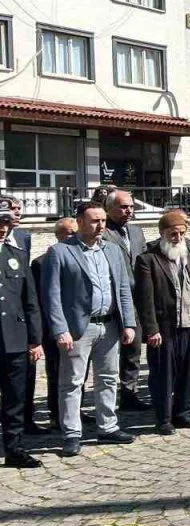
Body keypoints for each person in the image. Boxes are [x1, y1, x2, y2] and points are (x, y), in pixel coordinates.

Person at [43, 202, 138, 457]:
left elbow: (123, 289)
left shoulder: (113, 251)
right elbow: (51, 295)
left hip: (109, 325)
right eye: (95, 221)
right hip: (78, 329)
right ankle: (72, 433)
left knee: (108, 378)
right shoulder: (60, 252)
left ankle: (108, 426)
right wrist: (60, 329)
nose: (100, 226)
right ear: (80, 222)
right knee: (72, 382)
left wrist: (128, 322)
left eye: (103, 221)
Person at [134, 211, 190, 435]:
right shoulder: (148, 259)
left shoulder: (189, 254)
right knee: (163, 374)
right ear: (162, 233)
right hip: (164, 328)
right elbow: (144, 299)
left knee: (188, 371)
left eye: (182, 233)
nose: (178, 238)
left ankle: (183, 412)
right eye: (173, 234)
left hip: (189, 323)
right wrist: (151, 329)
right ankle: (163, 418)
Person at [0, 199, 43, 468]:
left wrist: (35, 340)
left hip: (14, 339)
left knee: (15, 399)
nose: (3, 227)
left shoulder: (16, 255)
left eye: (6, 222)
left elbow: (30, 301)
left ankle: (14, 449)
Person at [24, 218, 74, 436]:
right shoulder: (41, 263)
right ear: (58, 235)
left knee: (76, 373)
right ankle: (56, 414)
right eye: (69, 233)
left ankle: (73, 410)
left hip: (77, 325)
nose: (73, 236)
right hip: (52, 327)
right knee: (56, 372)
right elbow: (39, 299)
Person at [102, 190, 149, 412]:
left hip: (135, 300)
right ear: (109, 208)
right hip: (111, 300)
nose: (129, 211)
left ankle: (130, 393)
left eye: (131, 207)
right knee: (108, 352)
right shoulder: (103, 232)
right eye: (123, 207)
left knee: (133, 350)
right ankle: (105, 397)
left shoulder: (136, 232)